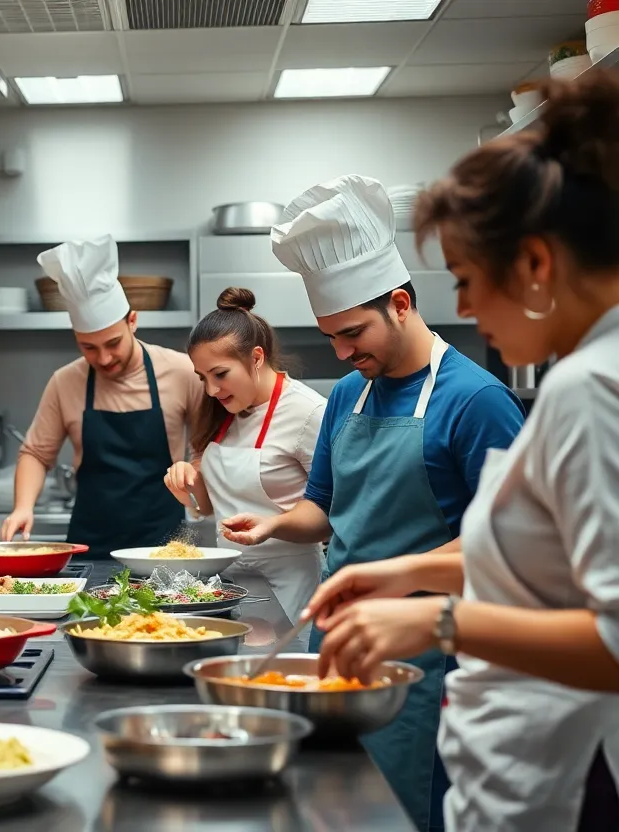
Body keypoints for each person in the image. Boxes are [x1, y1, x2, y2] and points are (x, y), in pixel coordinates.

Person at [305, 72, 619, 832]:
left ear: (538, 264)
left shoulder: (587, 390)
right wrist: (411, 569)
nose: (468, 310)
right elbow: (554, 563)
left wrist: (437, 621)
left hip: (562, 774)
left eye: (470, 281)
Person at [221, 175, 526, 832]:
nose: (341, 352)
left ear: (400, 303)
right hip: (336, 638)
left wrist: (395, 576)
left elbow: (508, 544)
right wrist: (278, 523)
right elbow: (324, 510)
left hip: (426, 660)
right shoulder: (345, 395)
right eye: (330, 336)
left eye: (352, 332)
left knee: (398, 811)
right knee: (329, 805)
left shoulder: (475, 402)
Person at [0, 236, 203, 556]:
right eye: (89, 348)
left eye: (112, 344)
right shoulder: (66, 381)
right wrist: (23, 507)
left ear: (132, 321)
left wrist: (195, 475)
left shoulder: (182, 371)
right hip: (90, 544)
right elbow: (36, 454)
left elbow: (207, 443)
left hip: (163, 548)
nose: (104, 358)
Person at [163, 287, 326, 647]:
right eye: (202, 377)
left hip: (291, 584)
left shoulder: (308, 413)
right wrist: (188, 489)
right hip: (232, 581)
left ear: (256, 357)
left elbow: (332, 513)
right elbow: (208, 509)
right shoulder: (221, 412)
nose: (210, 390)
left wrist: (273, 525)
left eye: (220, 374)